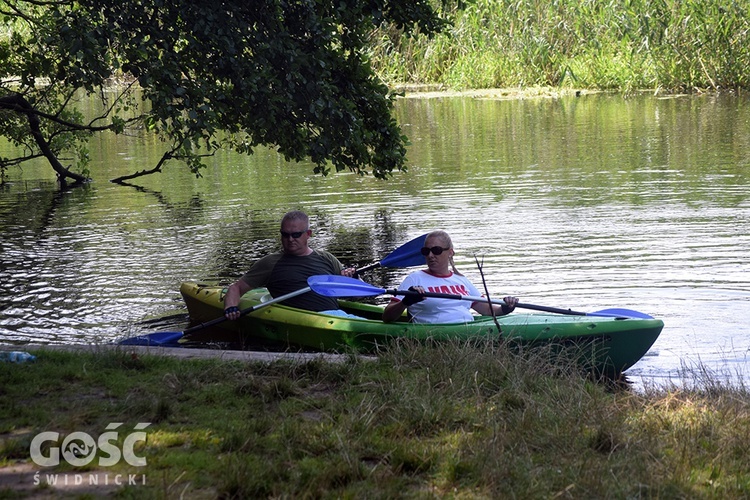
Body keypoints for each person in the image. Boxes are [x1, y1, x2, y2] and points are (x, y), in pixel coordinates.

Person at [223, 210, 356, 319]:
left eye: (296, 235)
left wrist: (353, 277)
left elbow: (354, 291)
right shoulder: (270, 263)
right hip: (304, 319)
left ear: (308, 234)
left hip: (336, 316)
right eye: (285, 235)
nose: (290, 239)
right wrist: (231, 307)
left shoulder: (327, 258)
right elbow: (236, 288)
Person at [382, 230, 519, 323]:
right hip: (434, 335)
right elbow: (387, 317)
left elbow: (488, 310)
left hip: (467, 330)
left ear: (450, 253)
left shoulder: (461, 280)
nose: (430, 255)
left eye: (436, 250)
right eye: (426, 251)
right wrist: (405, 302)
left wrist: (507, 307)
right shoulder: (414, 279)